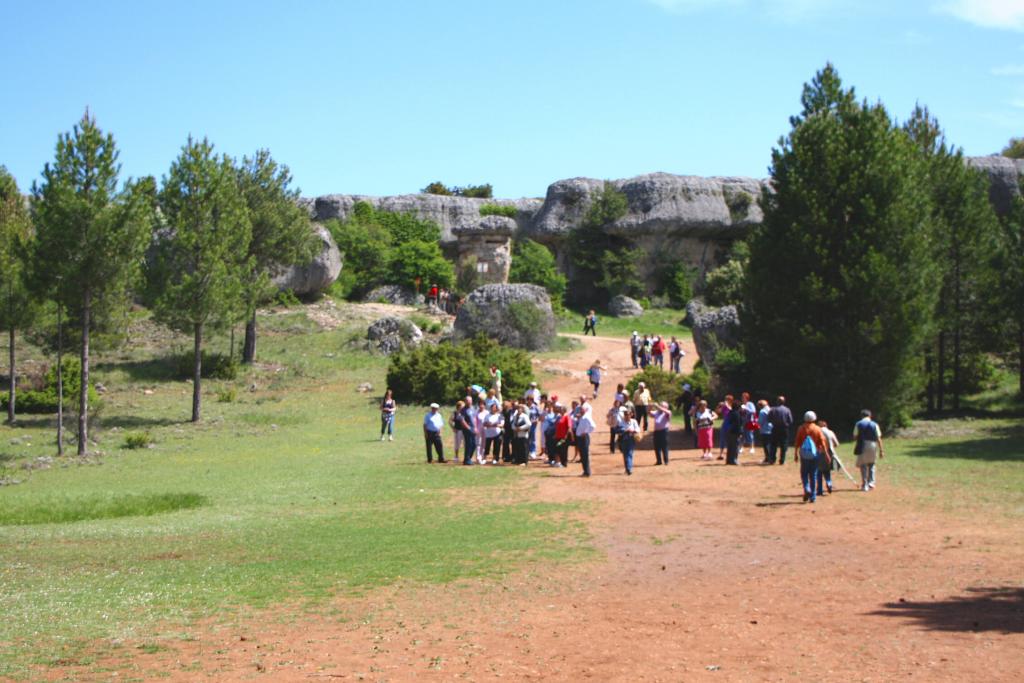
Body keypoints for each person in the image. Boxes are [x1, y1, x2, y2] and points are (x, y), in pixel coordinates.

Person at [793, 411, 830, 503]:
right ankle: (813, 496)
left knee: (804, 473)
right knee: (813, 474)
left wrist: (796, 454)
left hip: (804, 454)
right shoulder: (817, 429)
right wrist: (826, 454)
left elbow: (797, 442)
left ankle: (806, 488)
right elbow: (822, 442)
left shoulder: (801, 428)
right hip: (815, 454)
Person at [853, 409, 884, 491]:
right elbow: (879, 438)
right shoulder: (874, 424)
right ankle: (871, 483)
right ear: (870, 416)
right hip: (873, 445)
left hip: (862, 444)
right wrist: (881, 450)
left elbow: (855, 436)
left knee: (863, 465)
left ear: (861, 416)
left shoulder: (858, 424)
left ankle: (865, 484)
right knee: (872, 464)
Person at [767, 395, 794, 465]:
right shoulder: (787, 410)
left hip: (775, 428)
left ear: (777, 402)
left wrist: (773, 422)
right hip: (784, 429)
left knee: (773, 444)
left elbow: (768, 419)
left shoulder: (773, 409)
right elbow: (790, 420)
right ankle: (782, 460)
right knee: (783, 444)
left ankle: (772, 460)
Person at [574, 399, 596, 476]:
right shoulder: (582, 417)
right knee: (583, 455)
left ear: (585, 410)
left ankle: (587, 472)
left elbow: (593, 426)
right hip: (580, 438)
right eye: (580, 410)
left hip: (584, 438)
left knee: (585, 455)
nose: (580, 411)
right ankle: (585, 471)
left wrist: (586, 432)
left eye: (582, 410)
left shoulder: (587, 417)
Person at [818, 419, 839, 495]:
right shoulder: (830, 432)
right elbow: (836, 444)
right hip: (830, 453)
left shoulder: (817, 431)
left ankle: (819, 490)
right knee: (827, 471)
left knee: (819, 472)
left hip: (819, 453)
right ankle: (829, 483)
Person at [619, 407, 641, 475]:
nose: (626, 416)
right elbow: (619, 430)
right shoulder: (621, 422)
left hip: (631, 439)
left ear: (631, 415)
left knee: (629, 454)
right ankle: (628, 468)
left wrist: (632, 430)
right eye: (625, 414)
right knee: (625, 454)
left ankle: (629, 469)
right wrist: (626, 430)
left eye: (628, 414)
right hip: (623, 439)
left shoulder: (634, 421)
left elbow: (638, 429)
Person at [721, 396, 742, 465]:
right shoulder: (736, 414)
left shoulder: (730, 413)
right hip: (734, 432)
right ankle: (734, 460)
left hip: (728, 432)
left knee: (730, 447)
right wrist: (740, 433)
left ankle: (729, 460)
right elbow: (738, 424)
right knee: (735, 447)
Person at [650, 401, 672, 465]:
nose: (660, 407)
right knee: (656, 446)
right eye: (660, 405)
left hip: (664, 431)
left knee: (664, 446)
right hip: (656, 431)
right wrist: (650, 406)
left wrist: (657, 406)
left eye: (662, 406)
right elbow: (649, 412)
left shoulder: (667, 412)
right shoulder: (657, 412)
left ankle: (666, 460)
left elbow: (668, 413)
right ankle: (659, 461)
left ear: (666, 407)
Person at [457, 399, 477, 466]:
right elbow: (462, 420)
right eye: (467, 401)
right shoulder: (463, 410)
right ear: (465, 401)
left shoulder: (473, 408)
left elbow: (474, 418)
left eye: (470, 400)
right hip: (466, 429)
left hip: (473, 429)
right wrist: (468, 427)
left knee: (474, 444)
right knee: (469, 444)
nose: (469, 402)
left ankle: (467, 459)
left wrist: (475, 427)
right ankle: (467, 460)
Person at [511, 401, 532, 466]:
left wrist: (520, 428)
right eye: (517, 408)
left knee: (524, 448)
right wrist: (515, 428)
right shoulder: (515, 416)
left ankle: (524, 461)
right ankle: (518, 460)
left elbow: (529, 424)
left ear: (522, 409)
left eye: (520, 408)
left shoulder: (524, 416)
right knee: (518, 448)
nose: (518, 409)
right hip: (517, 434)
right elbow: (512, 424)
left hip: (523, 434)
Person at [554, 403, 572, 468]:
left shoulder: (567, 417)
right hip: (558, 436)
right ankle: (560, 462)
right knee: (558, 448)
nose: (560, 410)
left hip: (563, 437)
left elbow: (569, 427)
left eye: (561, 409)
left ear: (564, 410)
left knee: (563, 449)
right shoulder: (559, 417)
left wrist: (566, 435)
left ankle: (564, 463)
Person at [716, 395, 734, 459]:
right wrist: (719, 406)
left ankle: (731, 454)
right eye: (726, 399)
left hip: (731, 425)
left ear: (731, 400)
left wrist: (726, 405)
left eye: (727, 399)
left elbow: (732, 411)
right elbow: (718, 411)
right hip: (725, 424)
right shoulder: (724, 407)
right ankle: (721, 454)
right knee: (722, 439)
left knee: (730, 439)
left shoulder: (733, 406)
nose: (726, 400)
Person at [756, 399, 773, 464]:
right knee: (770, 444)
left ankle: (767, 458)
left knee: (765, 445)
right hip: (771, 429)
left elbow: (760, 422)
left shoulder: (762, 411)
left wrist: (757, 422)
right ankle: (771, 457)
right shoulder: (770, 409)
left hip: (764, 430)